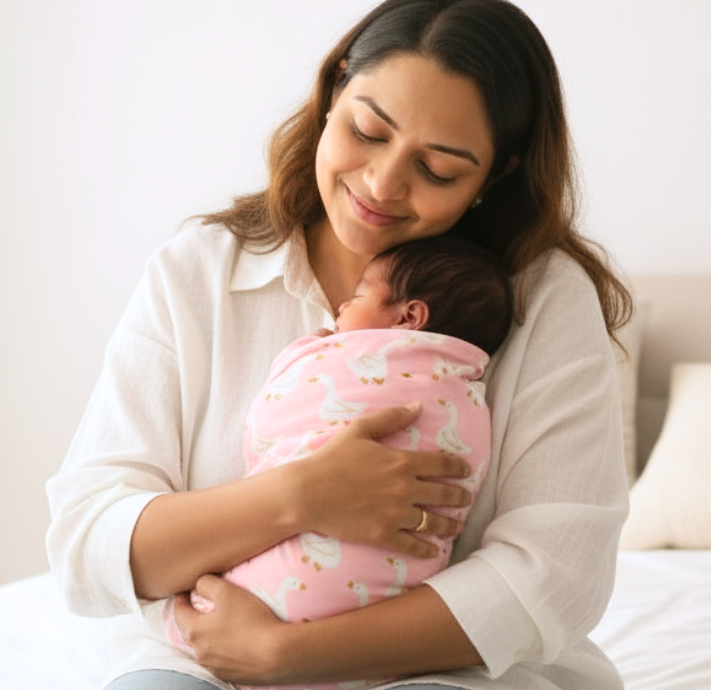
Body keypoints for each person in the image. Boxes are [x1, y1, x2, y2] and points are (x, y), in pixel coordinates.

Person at [45, 0, 633, 688]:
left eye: (439, 169)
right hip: (205, 670)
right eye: (368, 130)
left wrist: (286, 656)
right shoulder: (198, 273)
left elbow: (558, 575)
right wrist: (298, 496)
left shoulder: (544, 299)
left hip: (451, 672)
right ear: (332, 92)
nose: (383, 185)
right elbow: (88, 548)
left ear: (493, 176)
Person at [161, 237, 512, 690]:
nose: (341, 308)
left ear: (409, 317)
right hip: (385, 652)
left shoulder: (349, 365)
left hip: (292, 627)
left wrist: (312, 351)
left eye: (358, 297)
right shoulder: (465, 398)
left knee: (194, 609)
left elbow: (276, 418)